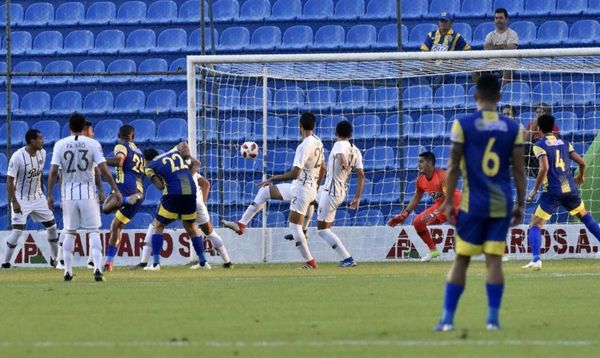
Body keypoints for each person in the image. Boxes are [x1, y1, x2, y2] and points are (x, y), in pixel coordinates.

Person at [435, 74, 526, 332]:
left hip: (472, 203)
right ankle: (492, 320)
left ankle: (446, 320)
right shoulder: (513, 128)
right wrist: (521, 204)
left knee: (462, 258)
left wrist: (448, 202)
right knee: (494, 259)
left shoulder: (462, 125)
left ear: (476, 96)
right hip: (501, 203)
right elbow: (518, 170)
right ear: (499, 97)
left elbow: (452, 166)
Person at [48, 113, 122, 282]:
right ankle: (97, 269)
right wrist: (114, 188)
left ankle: (67, 271)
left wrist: (50, 194)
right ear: (83, 128)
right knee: (94, 232)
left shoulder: (60, 144)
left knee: (70, 232)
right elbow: (102, 169)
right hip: (88, 193)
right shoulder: (93, 143)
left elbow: (53, 171)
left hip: (68, 194)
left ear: (69, 127)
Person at [523, 115, 600, 270]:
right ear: (553, 127)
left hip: (552, 189)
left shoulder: (539, 145)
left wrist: (535, 189)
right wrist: (581, 175)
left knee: (535, 224)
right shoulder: (565, 143)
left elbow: (544, 168)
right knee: (584, 215)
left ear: (538, 129)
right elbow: (582, 162)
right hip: (568, 186)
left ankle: (536, 259)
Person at [258, 112, 325, 269]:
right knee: (299, 226)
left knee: (294, 226)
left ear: (300, 127)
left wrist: (274, 178)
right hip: (311, 188)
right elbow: (323, 168)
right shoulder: (318, 142)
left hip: (302, 189)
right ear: (313, 126)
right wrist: (316, 186)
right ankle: (306, 238)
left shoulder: (303, 146)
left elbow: (295, 173)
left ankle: (310, 261)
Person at [387, 152, 461, 262]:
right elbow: (416, 198)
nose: (418, 165)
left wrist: (434, 213)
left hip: (457, 205)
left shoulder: (442, 175)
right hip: (441, 206)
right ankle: (433, 251)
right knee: (418, 222)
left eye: (421, 161)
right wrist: (404, 215)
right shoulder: (420, 180)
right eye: (418, 162)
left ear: (430, 163)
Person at [142, 145, 206, 271]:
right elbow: (196, 163)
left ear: (147, 160)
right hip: (190, 190)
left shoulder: (150, 167)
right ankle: (203, 262)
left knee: (158, 225)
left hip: (173, 192)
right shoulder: (175, 155)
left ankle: (155, 264)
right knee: (191, 227)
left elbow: (160, 186)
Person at [2, 129, 59, 269]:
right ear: (32, 141)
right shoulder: (17, 157)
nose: (43, 141)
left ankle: (54, 260)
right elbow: (10, 180)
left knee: (52, 226)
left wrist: (43, 195)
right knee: (17, 231)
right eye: (40, 138)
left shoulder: (42, 153)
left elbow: (38, 175)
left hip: (38, 197)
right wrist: (14, 201)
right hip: (21, 198)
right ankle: (5, 263)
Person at [317, 120, 364, 267]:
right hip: (339, 191)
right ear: (350, 134)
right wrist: (357, 197)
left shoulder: (339, 144)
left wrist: (344, 162)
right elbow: (361, 176)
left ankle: (348, 258)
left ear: (336, 134)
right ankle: (299, 231)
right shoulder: (356, 150)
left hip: (331, 192)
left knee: (323, 230)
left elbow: (340, 155)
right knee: (310, 194)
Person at [100, 125, 145, 272]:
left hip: (125, 188)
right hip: (139, 192)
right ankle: (109, 263)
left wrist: (100, 160)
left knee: (106, 208)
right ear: (133, 136)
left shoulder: (121, 146)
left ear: (119, 135)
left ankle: (126, 200)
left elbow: (119, 161)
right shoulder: (139, 152)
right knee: (116, 225)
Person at [421, 12, 471, 88]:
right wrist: (427, 63)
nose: (443, 23)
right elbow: (424, 50)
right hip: (431, 66)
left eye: (446, 21)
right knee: (419, 73)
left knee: (441, 75)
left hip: (446, 67)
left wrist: (458, 61)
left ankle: (432, 93)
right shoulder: (431, 35)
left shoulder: (456, 36)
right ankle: (427, 91)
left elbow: (467, 50)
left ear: (451, 23)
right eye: (441, 21)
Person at [524, 103, 560, 178]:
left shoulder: (552, 125)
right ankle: (529, 173)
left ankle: (539, 174)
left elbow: (554, 141)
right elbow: (526, 140)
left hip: (546, 150)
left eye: (541, 112)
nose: (538, 114)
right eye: (537, 112)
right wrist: (534, 126)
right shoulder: (532, 124)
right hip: (533, 152)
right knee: (523, 148)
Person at [484, 8, 519, 83]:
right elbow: (486, 49)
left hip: (508, 62)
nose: (498, 20)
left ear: (506, 19)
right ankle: (484, 92)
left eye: (500, 18)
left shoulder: (512, 34)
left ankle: (503, 92)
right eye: (496, 18)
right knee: (476, 71)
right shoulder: (490, 35)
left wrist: (494, 47)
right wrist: (503, 46)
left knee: (508, 70)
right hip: (493, 62)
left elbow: (511, 48)